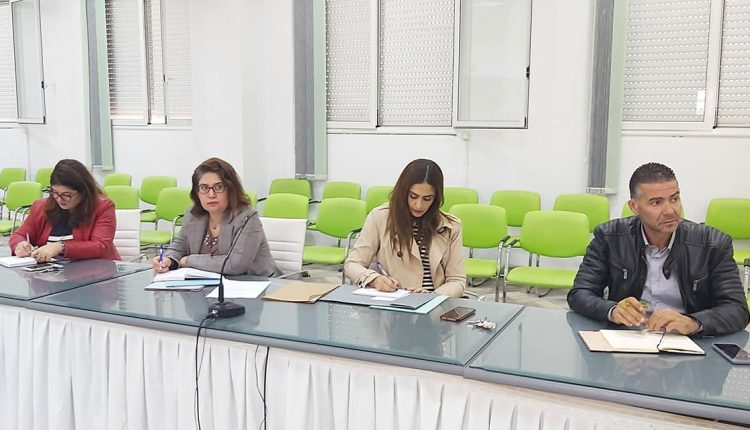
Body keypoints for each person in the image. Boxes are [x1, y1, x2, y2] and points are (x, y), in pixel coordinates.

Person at [568, 162, 749, 336]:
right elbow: (579, 293)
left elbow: (737, 309)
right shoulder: (609, 237)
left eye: (674, 199)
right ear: (635, 207)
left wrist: (693, 323)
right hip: (627, 336)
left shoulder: (713, 244)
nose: (670, 211)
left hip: (687, 340)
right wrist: (612, 310)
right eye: (656, 203)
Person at [344, 159, 465, 297]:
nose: (418, 205)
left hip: (435, 303)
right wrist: (374, 279)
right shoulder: (380, 217)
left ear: (436, 198)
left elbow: (457, 281)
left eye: (427, 199)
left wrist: (433, 296)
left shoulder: (450, 226)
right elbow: (352, 264)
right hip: (393, 302)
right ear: (403, 192)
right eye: (413, 196)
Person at [152, 157, 279, 276]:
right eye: (204, 188)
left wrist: (188, 261)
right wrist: (169, 260)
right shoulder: (193, 216)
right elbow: (178, 248)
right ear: (197, 192)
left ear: (231, 189)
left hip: (258, 285)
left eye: (218, 187)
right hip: (208, 284)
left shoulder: (247, 218)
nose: (211, 194)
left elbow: (234, 265)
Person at [10, 159, 120, 261]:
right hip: (52, 271)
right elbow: (18, 235)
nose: (59, 199)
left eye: (66, 195)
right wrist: (20, 244)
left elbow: (100, 246)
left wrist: (61, 247)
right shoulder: (40, 207)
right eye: (55, 193)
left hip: (95, 269)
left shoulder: (102, 207)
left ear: (83, 191)